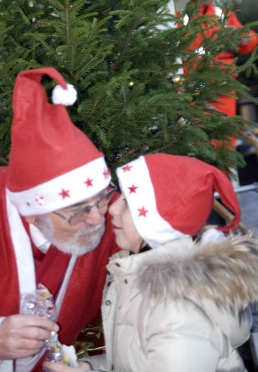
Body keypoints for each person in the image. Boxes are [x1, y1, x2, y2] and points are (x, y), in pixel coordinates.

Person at [0, 67, 118, 372]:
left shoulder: (109, 216)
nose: (97, 217)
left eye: (102, 198)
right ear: (32, 213)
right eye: (78, 211)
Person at [44, 153, 258, 372]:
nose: (113, 209)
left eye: (127, 203)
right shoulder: (138, 276)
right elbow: (139, 361)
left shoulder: (175, 308)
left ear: (157, 222)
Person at [181, 0, 258, 120]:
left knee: (225, 137)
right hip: (195, 89)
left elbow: (250, 43)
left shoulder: (223, 15)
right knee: (199, 134)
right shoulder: (183, 19)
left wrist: (239, 35)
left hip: (224, 88)